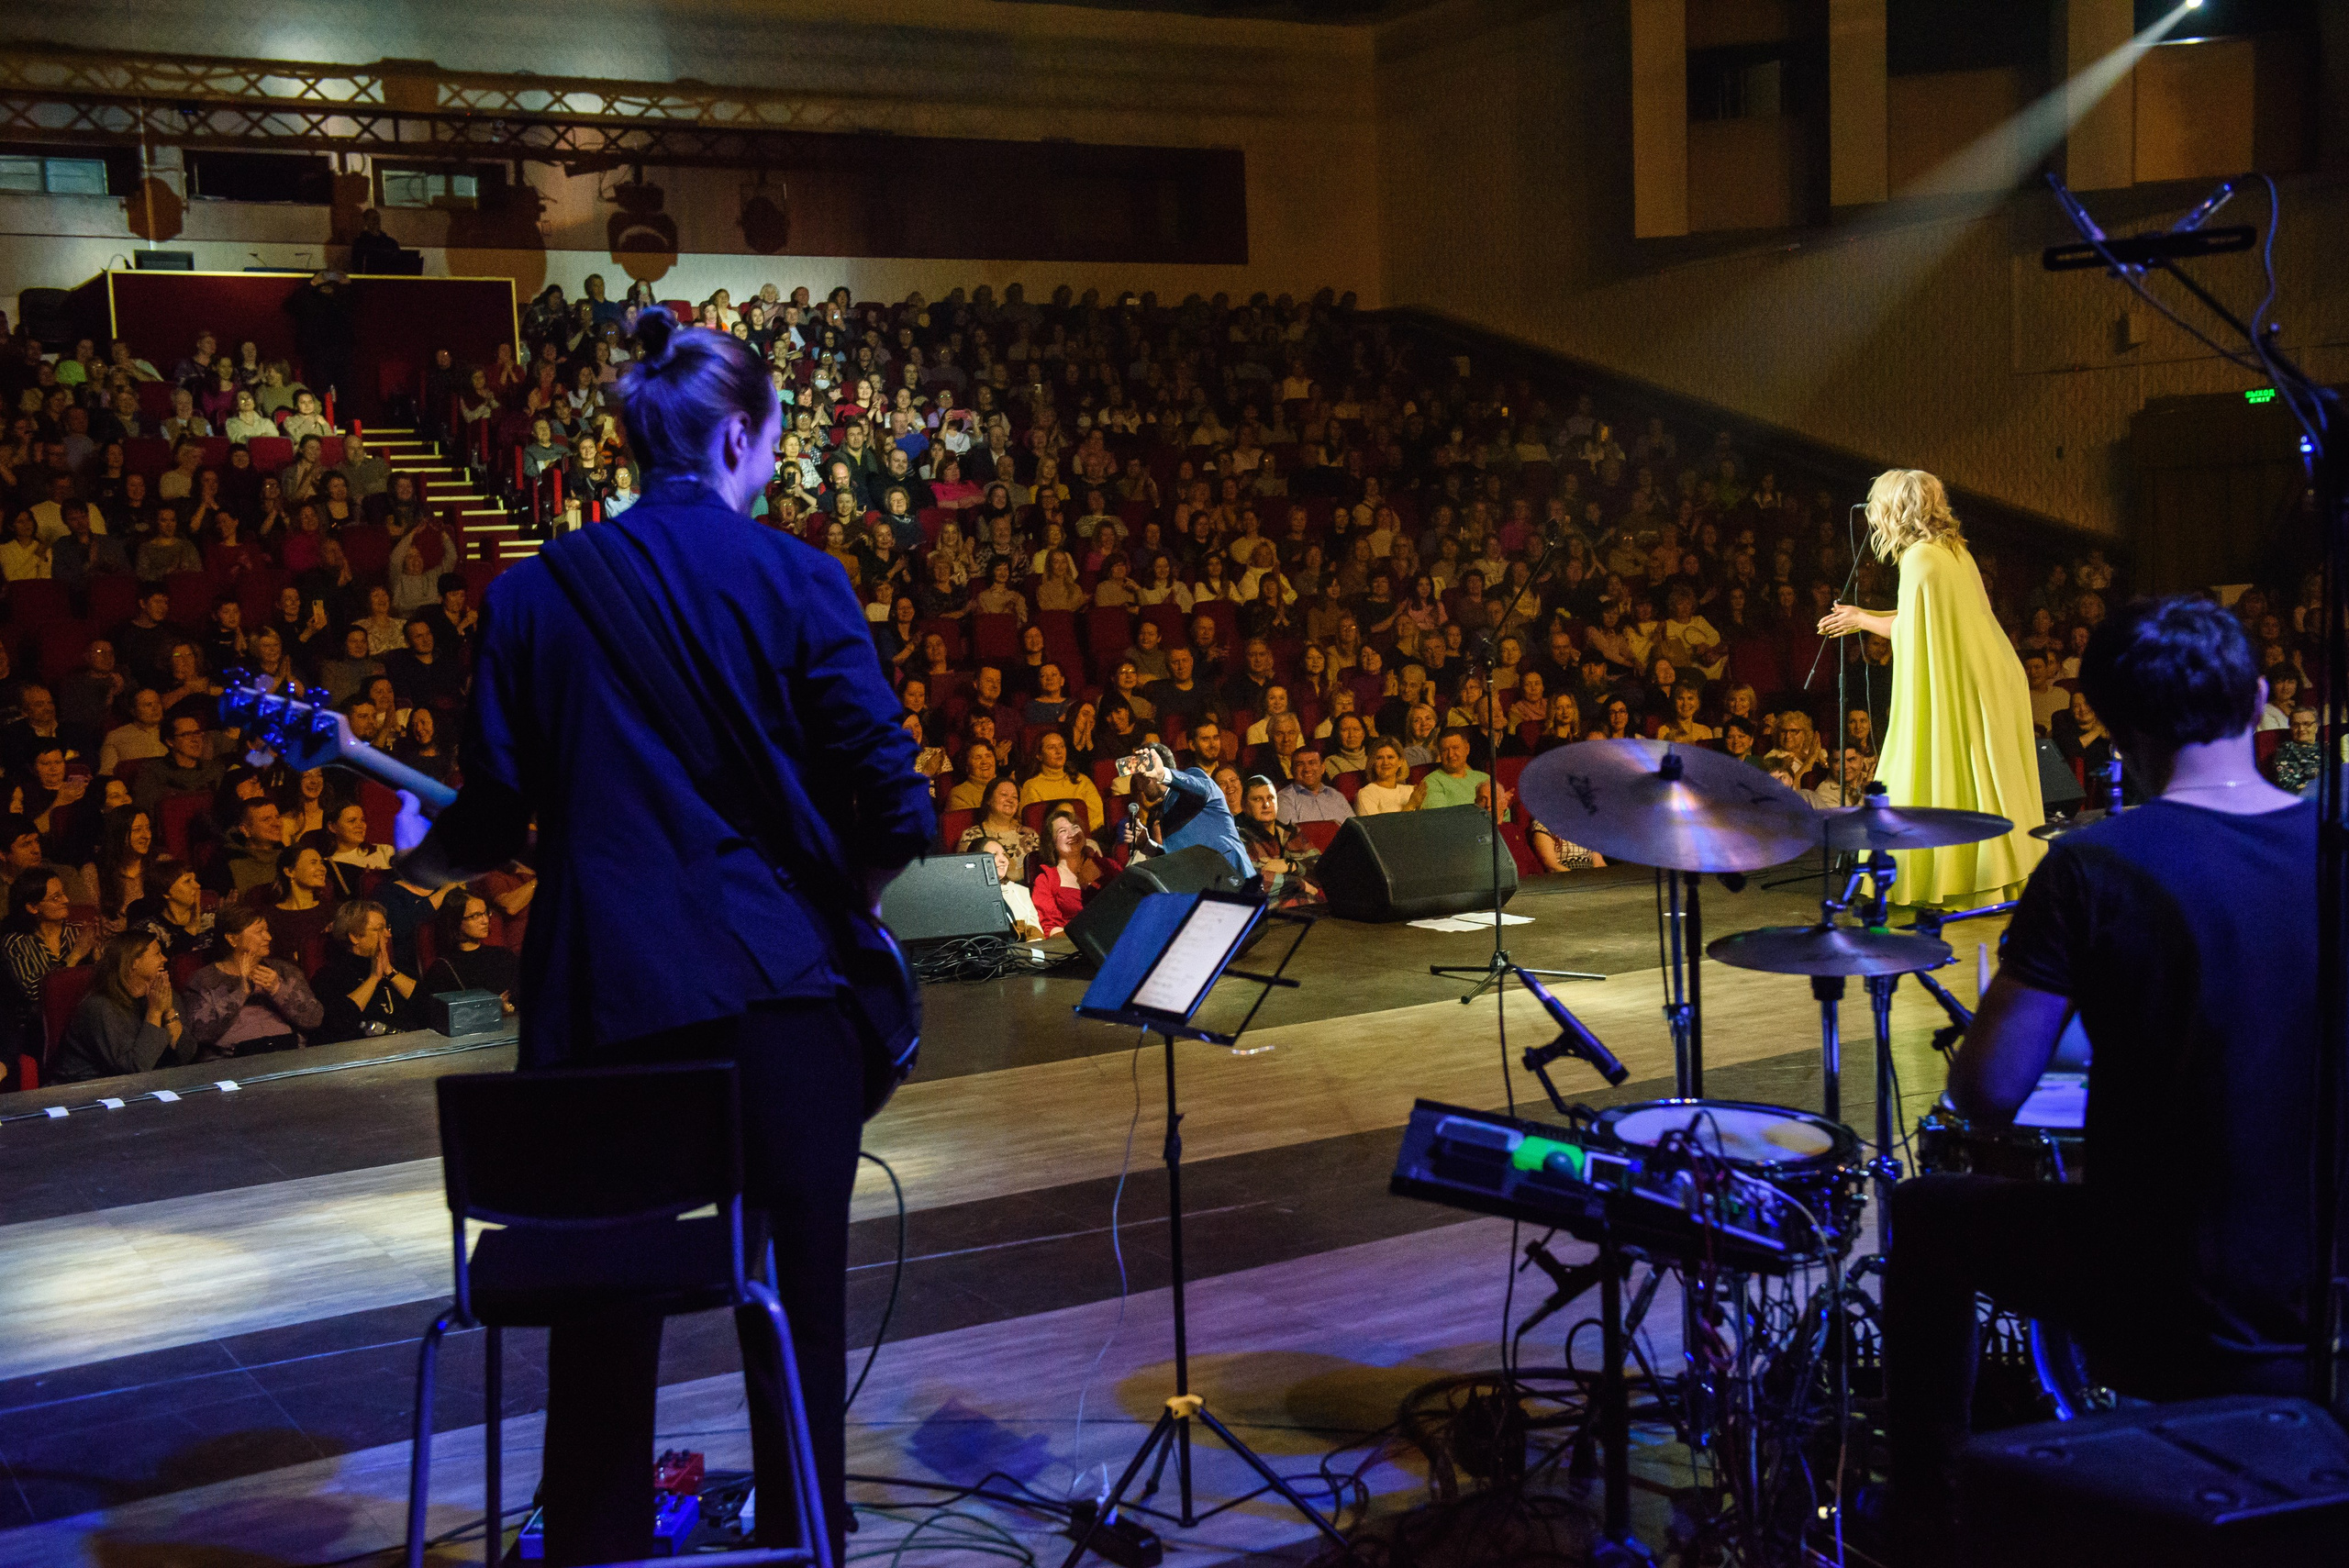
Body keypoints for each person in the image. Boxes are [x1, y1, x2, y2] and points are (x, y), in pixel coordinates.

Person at [395, 306, 931, 1568]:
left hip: (607, 999)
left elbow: (488, 819)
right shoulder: (802, 578)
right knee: (797, 1295)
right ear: (741, 433)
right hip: (783, 996)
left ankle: (592, 1537)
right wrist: (834, 910)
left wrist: (428, 857)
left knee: (603, 1305)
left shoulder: (530, 596)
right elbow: (899, 809)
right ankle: (809, 1535)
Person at [1886, 595, 2318, 1545]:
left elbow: (1986, 1091)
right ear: (2260, 697)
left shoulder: (2089, 868)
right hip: (2320, 1282)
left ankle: (1924, 1513)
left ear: (2112, 728)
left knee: (1926, 1212)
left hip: (2166, 1287)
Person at [1819, 471, 2043, 905]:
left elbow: (1919, 629)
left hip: (1970, 680)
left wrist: (1861, 620)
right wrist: (1863, 613)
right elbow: (1925, 618)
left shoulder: (1919, 557)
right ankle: (1998, 871)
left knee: (1945, 764)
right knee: (1979, 772)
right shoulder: (1951, 550)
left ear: (1894, 510)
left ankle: (1957, 876)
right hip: (1990, 674)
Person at [182, 903, 323, 1060]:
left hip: (288, 1055)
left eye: (267, 930)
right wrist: (240, 993)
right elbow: (201, 1033)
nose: (268, 937)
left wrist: (278, 989)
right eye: (259, 931)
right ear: (232, 939)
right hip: (234, 1062)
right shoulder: (204, 980)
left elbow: (315, 1019)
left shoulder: (283, 971)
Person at [50, 927, 185, 1084]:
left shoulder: (163, 994)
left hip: (146, 1085)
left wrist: (168, 1012)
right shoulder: (99, 1007)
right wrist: (154, 1013)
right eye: (157, 953)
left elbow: (187, 1056)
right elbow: (133, 1068)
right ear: (134, 962)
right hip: (87, 1089)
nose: (165, 959)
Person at [0, 865, 95, 1073]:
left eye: (63, 894)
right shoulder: (17, 943)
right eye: (56, 897)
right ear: (33, 907)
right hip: (37, 1027)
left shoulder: (78, 932)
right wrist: (75, 957)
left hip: (84, 1016)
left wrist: (98, 953)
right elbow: (37, 993)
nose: (66, 900)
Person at [1120, 741, 1249, 882]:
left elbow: (1201, 787)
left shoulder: (1194, 779)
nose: (1138, 786)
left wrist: (1163, 774)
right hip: (1208, 890)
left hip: (1237, 881)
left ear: (1151, 775)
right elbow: (1181, 861)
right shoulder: (1164, 813)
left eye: (1139, 777)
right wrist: (1148, 845)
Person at [311, 898, 419, 1040]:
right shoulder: (329, 978)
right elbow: (340, 1023)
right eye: (379, 929)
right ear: (354, 937)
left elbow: (430, 1009)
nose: (388, 934)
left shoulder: (398, 971)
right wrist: (374, 978)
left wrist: (391, 973)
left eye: (387, 928)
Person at [423, 889, 519, 1013]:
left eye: (486, 913)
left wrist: (509, 1008)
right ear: (456, 921)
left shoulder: (504, 956)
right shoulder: (443, 968)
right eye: (475, 916)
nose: (485, 921)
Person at [1030, 804, 1108, 936]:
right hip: (1075, 944)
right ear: (1052, 842)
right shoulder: (1046, 880)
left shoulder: (1105, 866)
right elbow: (1051, 927)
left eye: (1075, 827)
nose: (1071, 834)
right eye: (1062, 831)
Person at [978, 837, 1043, 940]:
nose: (1003, 860)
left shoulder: (1021, 891)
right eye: (994, 855)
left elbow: (1036, 933)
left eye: (1004, 854)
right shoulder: (974, 896)